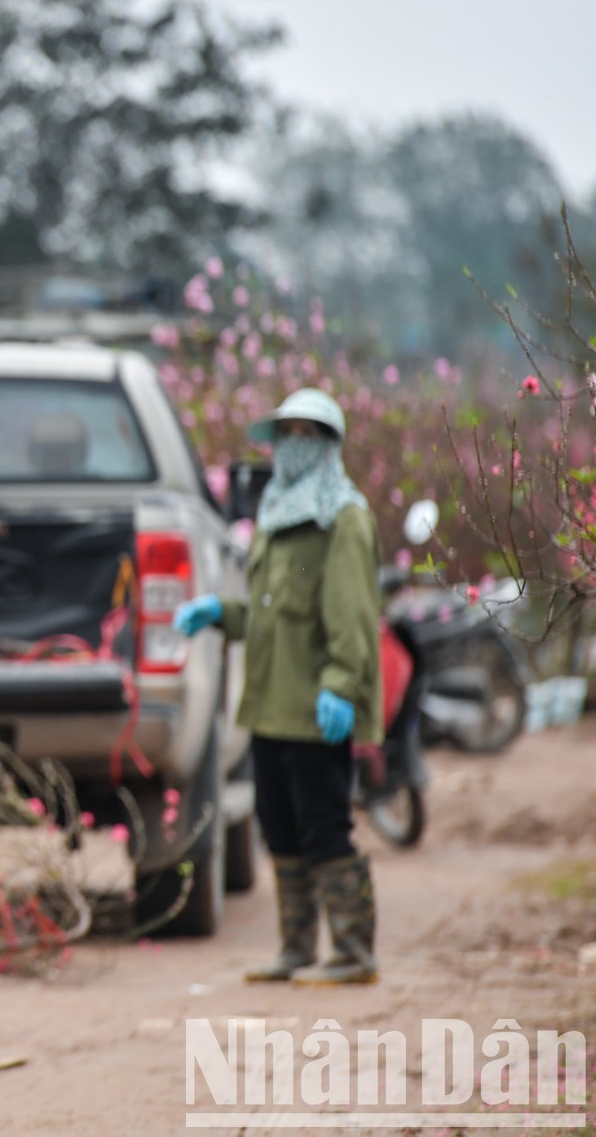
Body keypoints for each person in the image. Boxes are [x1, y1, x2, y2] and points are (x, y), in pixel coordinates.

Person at [175, 388, 382, 986]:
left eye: (307, 434)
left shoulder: (342, 517)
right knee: (279, 825)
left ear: (329, 444)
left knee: (324, 826)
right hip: (270, 704)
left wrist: (341, 685)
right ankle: (296, 948)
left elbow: (350, 615)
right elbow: (273, 613)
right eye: (286, 433)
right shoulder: (277, 514)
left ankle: (353, 951)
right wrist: (223, 613)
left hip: (317, 706)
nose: (294, 446)